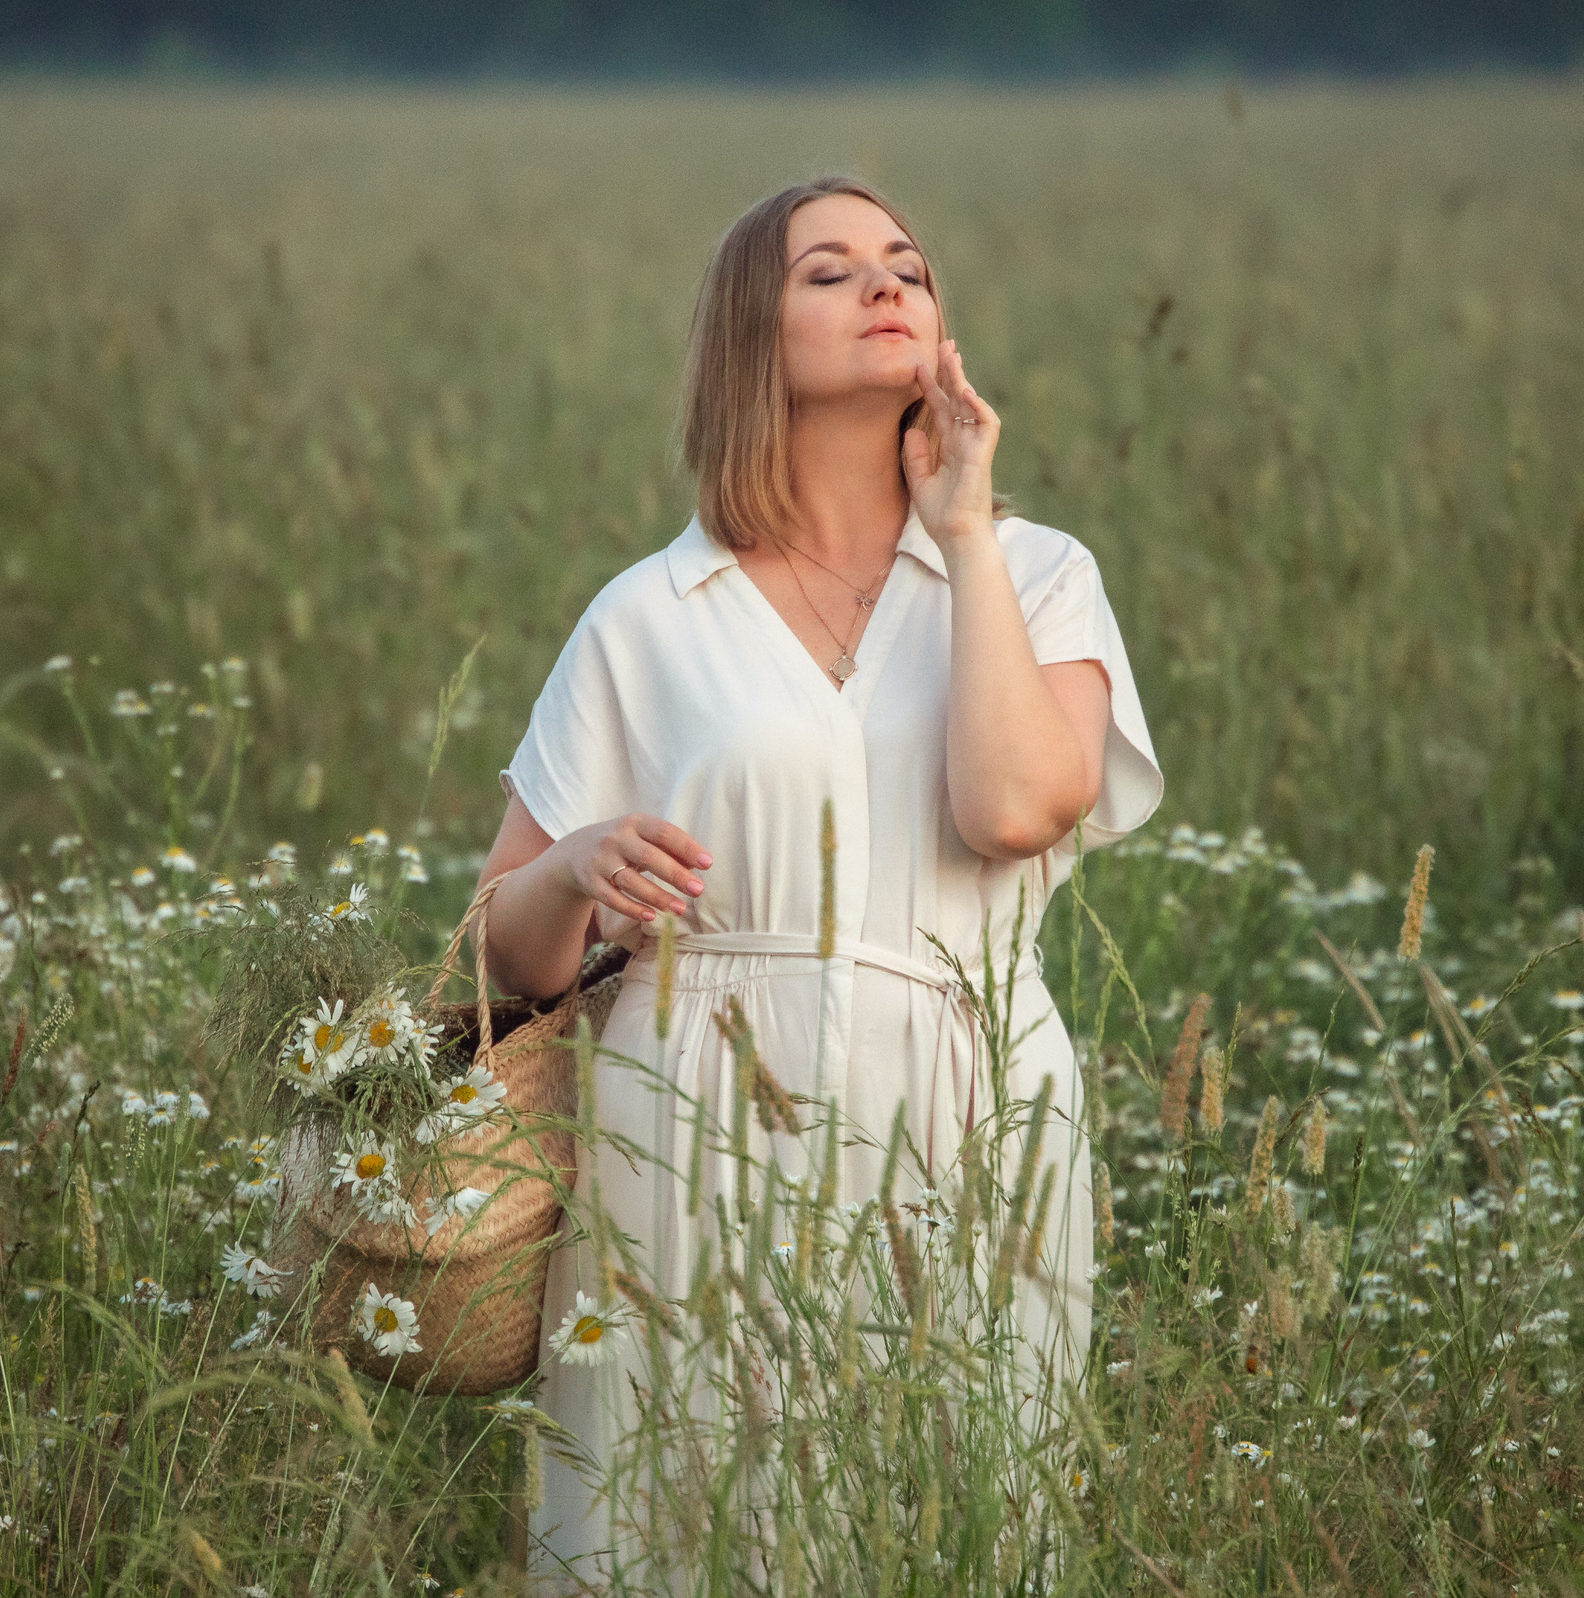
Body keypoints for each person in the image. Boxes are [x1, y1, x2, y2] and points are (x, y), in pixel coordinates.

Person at [473, 176, 1163, 1588]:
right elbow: (500, 950)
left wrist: (959, 531)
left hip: (970, 1121)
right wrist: (578, 867)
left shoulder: (1035, 575)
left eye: (907, 267)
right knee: (679, 1526)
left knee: (957, 1519)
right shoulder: (650, 615)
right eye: (832, 273)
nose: (887, 288)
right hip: (688, 1128)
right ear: (751, 336)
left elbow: (1016, 803)